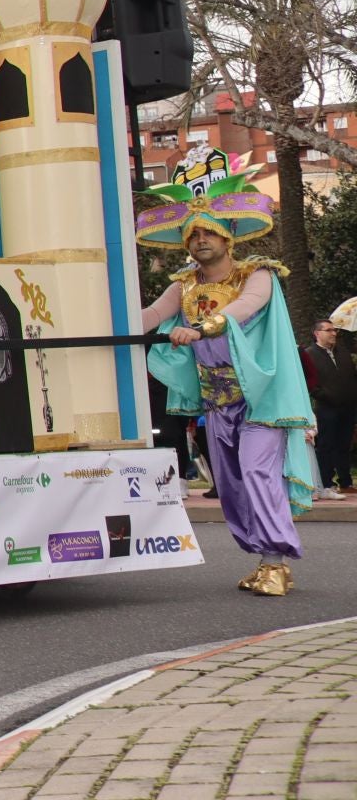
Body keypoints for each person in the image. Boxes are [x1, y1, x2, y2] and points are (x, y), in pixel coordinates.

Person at [136, 162, 316, 596]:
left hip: (261, 397)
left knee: (256, 472)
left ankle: (276, 562)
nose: (200, 241)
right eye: (193, 235)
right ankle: (263, 558)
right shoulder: (184, 284)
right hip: (218, 402)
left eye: (208, 233)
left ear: (227, 236)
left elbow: (245, 308)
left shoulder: (257, 274)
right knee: (232, 486)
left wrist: (201, 327)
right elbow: (149, 316)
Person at [301, 319, 357, 499]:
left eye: (334, 330)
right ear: (317, 333)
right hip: (326, 408)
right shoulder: (309, 354)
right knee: (326, 446)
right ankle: (326, 484)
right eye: (329, 330)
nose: (334, 333)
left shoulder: (343, 353)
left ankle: (346, 482)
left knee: (344, 444)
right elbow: (308, 383)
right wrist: (325, 395)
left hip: (347, 407)